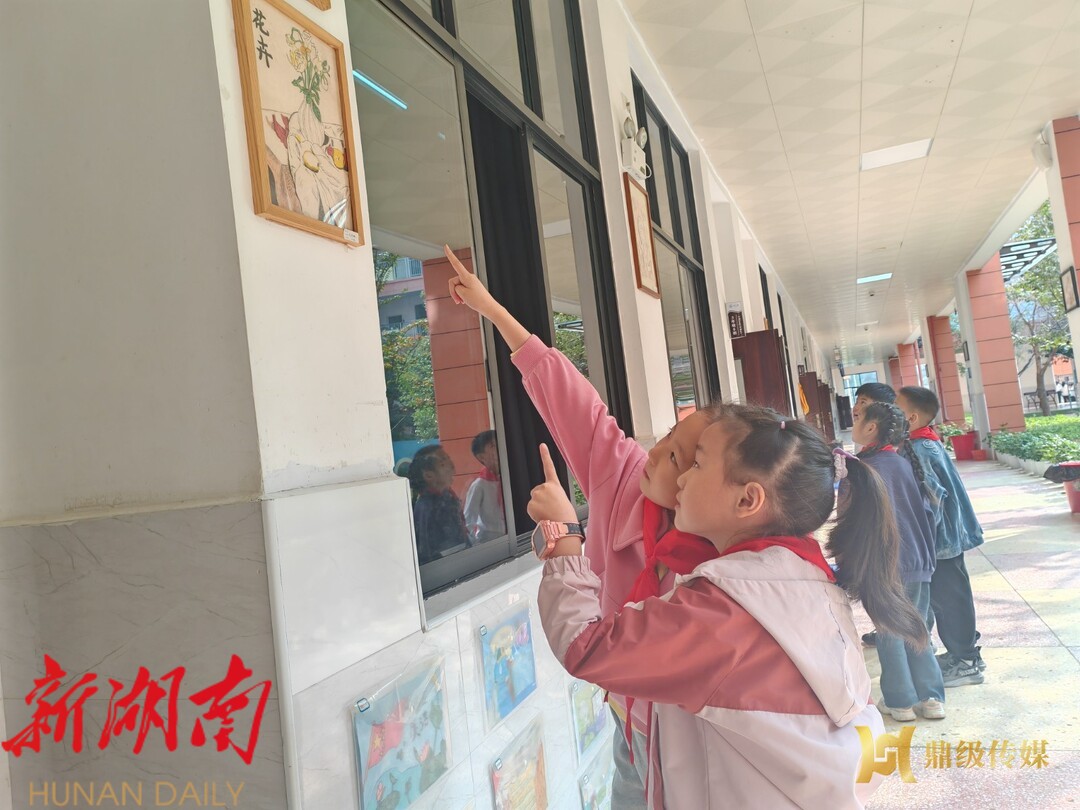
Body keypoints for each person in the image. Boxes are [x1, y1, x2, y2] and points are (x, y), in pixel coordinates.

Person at [534, 405, 926, 809]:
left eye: (696, 464)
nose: (681, 478)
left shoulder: (724, 610)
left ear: (747, 499)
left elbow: (584, 646)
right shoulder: (805, 578)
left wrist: (563, 536)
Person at [444, 245, 718, 808]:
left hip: (692, 734)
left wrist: (565, 535)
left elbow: (591, 646)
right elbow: (578, 405)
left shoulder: (726, 574)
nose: (654, 451)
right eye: (669, 436)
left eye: (676, 456)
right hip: (629, 715)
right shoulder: (629, 483)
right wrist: (492, 310)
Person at [853, 402, 946, 721]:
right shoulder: (905, 464)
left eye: (857, 418)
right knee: (916, 627)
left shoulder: (861, 469)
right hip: (917, 560)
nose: (854, 422)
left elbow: (852, 523)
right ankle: (931, 698)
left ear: (871, 428)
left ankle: (900, 701)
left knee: (889, 631)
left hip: (882, 564)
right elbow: (929, 513)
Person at [895, 386, 986, 686]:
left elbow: (932, 499)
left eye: (895, 407)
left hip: (941, 540)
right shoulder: (924, 442)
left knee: (950, 600)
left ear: (911, 417)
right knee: (950, 597)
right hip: (947, 537)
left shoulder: (918, 449)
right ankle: (962, 652)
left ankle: (967, 661)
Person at [408, 444, 469, 564]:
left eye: (448, 459)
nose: (452, 466)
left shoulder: (446, 498)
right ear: (428, 475)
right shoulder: (431, 507)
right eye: (442, 463)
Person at [463, 430, 507, 543]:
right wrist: (475, 545)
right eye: (493, 446)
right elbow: (468, 520)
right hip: (490, 541)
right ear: (482, 457)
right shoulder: (479, 485)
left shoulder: (508, 479)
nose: (499, 447)